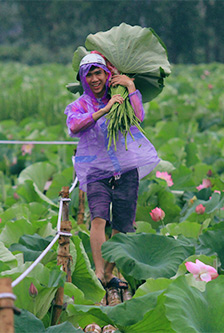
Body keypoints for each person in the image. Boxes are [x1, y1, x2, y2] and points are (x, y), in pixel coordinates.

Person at [64, 53, 159, 290]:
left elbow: (138, 117)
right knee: (98, 218)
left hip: (125, 168)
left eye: (99, 73)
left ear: (107, 75)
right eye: (90, 75)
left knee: (123, 225)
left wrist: (130, 85)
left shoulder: (121, 97)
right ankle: (98, 272)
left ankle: (108, 273)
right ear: (83, 79)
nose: (95, 79)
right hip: (96, 169)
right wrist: (103, 110)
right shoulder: (79, 106)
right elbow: (75, 126)